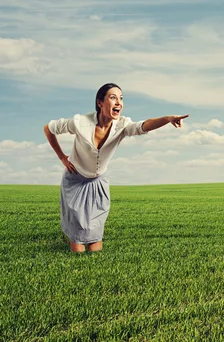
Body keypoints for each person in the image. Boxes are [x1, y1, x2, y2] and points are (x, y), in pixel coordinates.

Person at [44, 82, 189, 253]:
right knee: (77, 245)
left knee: (95, 242)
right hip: (75, 181)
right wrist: (62, 157)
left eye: (121, 98)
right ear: (100, 102)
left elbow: (144, 126)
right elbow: (49, 128)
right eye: (113, 97)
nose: (119, 102)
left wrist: (168, 119)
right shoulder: (80, 122)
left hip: (98, 184)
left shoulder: (122, 125)